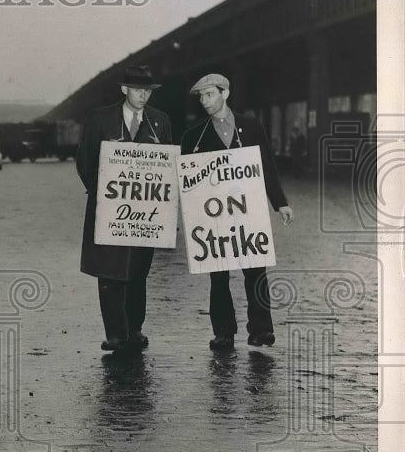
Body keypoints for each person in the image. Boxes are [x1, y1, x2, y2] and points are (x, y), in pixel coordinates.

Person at [180, 73, 294, 350]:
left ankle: (261, 330)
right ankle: (223, 332)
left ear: (225, 93)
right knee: (218, 273)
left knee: (256, 269)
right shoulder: (194, 136)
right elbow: (186, 181)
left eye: (210, 94)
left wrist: (280, 203)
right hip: (213, 218)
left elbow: (266, 165)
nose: (205, 101)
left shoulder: (251, 126)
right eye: (201, 97)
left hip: (248, 212)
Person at [75, 65, 173, 353]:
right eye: (137, 90)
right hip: (110, 209)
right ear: (124, 90)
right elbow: (85, 160)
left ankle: (135, 328)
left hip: (145, 212)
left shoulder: (160, 121)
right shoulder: (100, 118)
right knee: (109, 270)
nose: (142, 95)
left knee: (138, 269)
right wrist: (105, 194)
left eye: (147, 91)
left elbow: (166, 166)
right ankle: (115, 333)